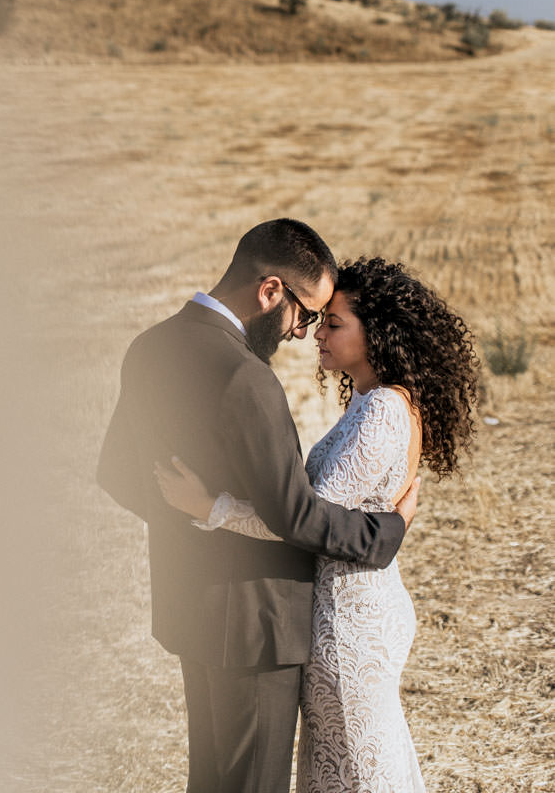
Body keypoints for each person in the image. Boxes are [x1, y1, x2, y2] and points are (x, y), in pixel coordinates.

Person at [97, 219, 419, 793]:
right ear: (270, 291)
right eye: (306, 313)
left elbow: (118, 475)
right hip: (260, 628)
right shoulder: (245, 376)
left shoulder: (150, 346)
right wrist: (385, 533)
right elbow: (292, 515)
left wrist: (195, 525)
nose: (303, 332)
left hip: (190, 612)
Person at [156, 256, 478, 792]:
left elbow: (301, 519)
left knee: (361, 773)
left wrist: (211, 508)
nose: (316, 335)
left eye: (333, 324)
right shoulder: (372, 402)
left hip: (351, 625)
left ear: (377, 334)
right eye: (320, 321)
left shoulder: (381, 413)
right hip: (347, 607)